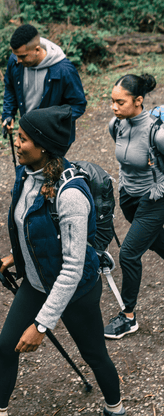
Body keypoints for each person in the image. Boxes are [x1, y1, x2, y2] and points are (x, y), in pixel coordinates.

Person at [0, 105, 125, 416]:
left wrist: (42, 325)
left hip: (76, 291)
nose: (16, 143)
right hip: (36, 283)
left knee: (94, 355)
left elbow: (73, 269)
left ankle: (115, 409)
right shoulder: (27, 174)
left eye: (23, 139)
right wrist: (15, 258)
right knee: (5, 345)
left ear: (44, 146)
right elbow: (28, 226)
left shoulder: (70, 195)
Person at [104, 74, 164, 339]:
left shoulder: (157, 132)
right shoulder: (116, 125)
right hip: (129, 198)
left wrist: (158, 189)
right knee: (152, 240)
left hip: (154, 199)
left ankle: (128, 317)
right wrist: (122, 185)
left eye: (120, 102)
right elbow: (125, 158)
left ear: (139, 101)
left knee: (128, 253)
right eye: (112, 101)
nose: (114, 107)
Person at [1, 24, 86, 145]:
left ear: (37, 49)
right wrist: (8, 114)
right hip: (29, 132)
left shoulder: (64, 70)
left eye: (22, 56)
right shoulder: (15, 61)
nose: (18, 60)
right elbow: (10, 87)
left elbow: (78, 105)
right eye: (16, 55)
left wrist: (52, 122)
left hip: (55, 137)